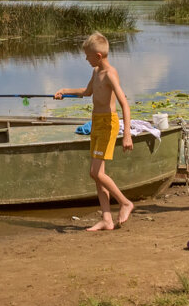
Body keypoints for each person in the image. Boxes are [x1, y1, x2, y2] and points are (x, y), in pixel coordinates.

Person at [54, 32, 134, 231]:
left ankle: (125, 203)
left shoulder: (110, 74)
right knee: (98, 175)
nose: (85, 59)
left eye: (88, 56)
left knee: (95, 173)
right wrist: (65, 91)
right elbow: (87, 92)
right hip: (96, 122)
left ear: (98, 56)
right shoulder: (96, 71)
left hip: (108, 124)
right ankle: (107, 219)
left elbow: (124, 103)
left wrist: (127, 135)